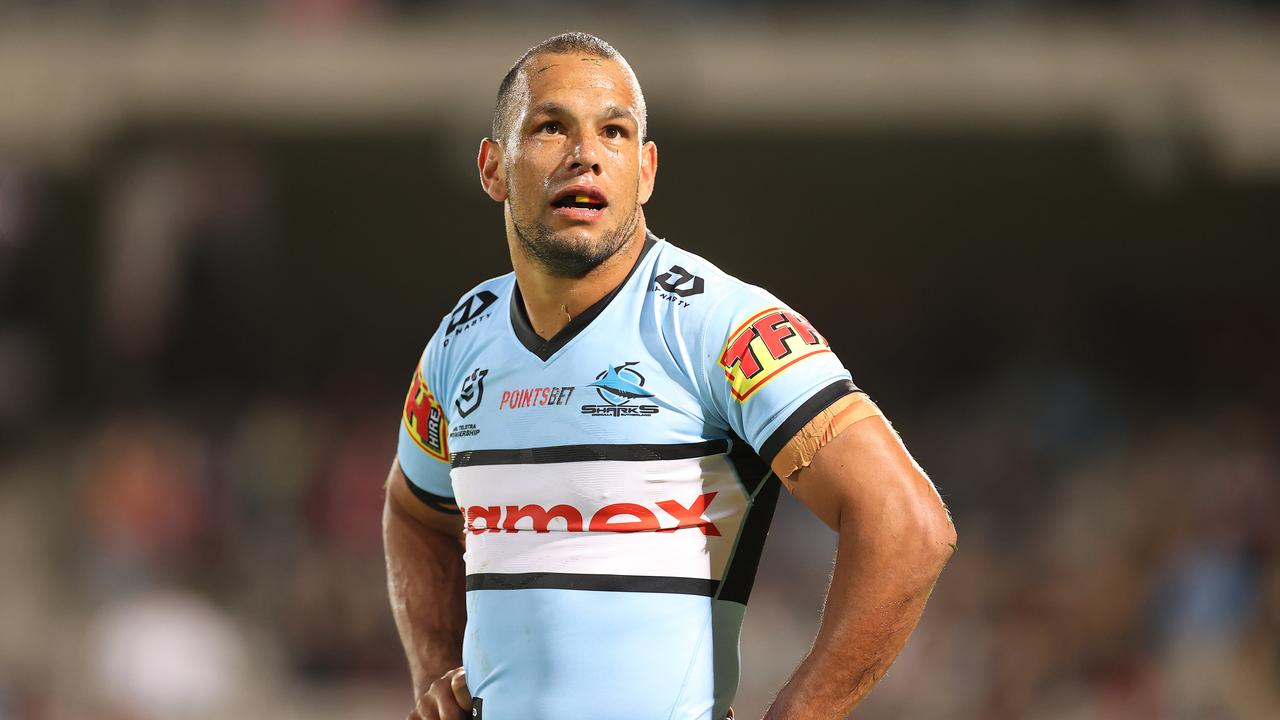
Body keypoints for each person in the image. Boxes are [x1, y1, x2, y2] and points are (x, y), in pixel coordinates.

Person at [382, 32, 955, 720]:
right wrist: (437, 672)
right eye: (550, 127)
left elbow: (908, 525)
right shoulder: (462, 338)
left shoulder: (719, 324)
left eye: (614, 132)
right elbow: (413, 515)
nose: (585, 154)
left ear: (646, 170)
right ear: (492, 168)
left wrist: (803, 712)